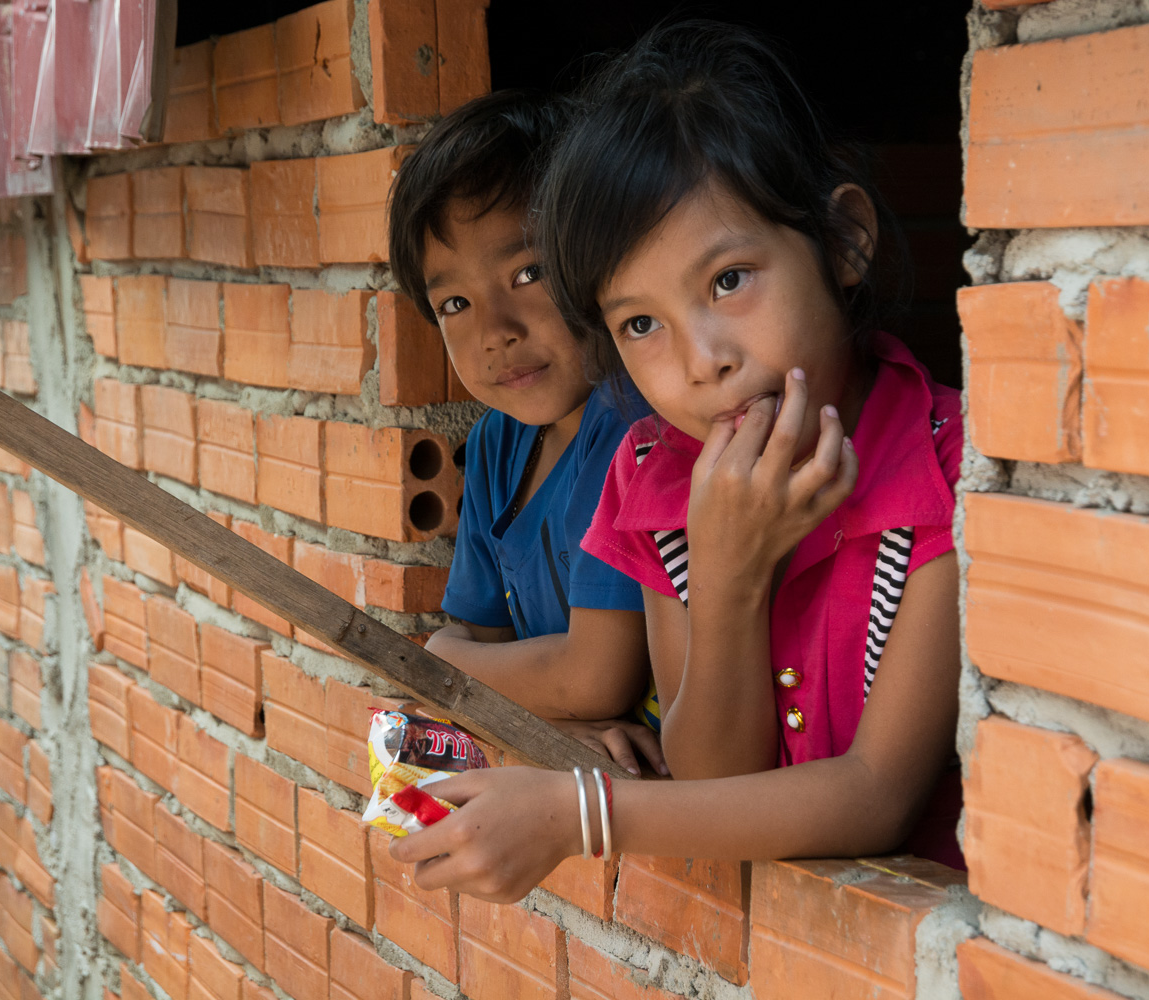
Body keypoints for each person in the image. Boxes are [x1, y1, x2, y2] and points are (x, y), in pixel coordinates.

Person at [389, 21, 965, 900]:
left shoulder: (954, 472)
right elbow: (712, 774)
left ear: (845, 242)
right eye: (640, 325)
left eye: (728, 280)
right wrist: (728, 582)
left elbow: (876, 796)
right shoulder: (654, 478)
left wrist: (575, 815)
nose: (701, 361)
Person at [388, 90, 665, 775]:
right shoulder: (495, 444)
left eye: (527, 273)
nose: (496, 332)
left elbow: (596, 678)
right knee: (402, 757)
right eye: (455, 303)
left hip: (666, 779)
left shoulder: (635, 423)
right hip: (572, 767)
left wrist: (444, 666)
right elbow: (471, 634)